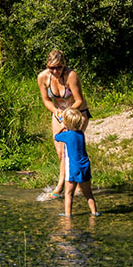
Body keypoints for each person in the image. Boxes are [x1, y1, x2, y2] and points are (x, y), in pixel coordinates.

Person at [38, 49, 89, 199]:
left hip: (76, 113)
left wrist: (67, 115)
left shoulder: (71, 75)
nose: (55, 71)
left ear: (64, 65)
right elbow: (46, 100)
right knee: (61, 152)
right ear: (47, 66)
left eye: (59, 67)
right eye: (52, 67)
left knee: (69, 149)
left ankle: (60, 186)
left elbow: (79, 100)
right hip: (58, 113)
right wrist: (56, 111)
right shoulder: (42, 77)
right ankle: (77, 184)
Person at [54, 108, 99, 217]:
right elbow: (72, 131)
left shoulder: (67, 135)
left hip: (73, 168)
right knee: (88, 193)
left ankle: (67, 215)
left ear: (66, 124)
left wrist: (61, 127)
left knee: (69, 194)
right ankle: (94, 212)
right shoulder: (80, 134)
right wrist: (66, 124)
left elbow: (55, 137)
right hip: (85, 166)